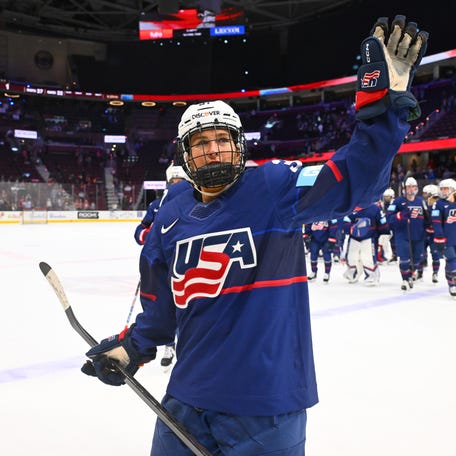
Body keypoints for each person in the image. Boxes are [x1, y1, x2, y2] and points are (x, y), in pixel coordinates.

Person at [81, 16, 428, 455]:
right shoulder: (169, 216)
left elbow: (356, 178)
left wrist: (385, 107)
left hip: (266, 409)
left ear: (239, 144)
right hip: (185, 400)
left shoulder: (276, 188)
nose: (212, 148)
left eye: (221, 139)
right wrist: (131, 348)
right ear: (185, 155)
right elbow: (159, 315)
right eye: (200, 142)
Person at [134, 162, 190, 370]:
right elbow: (140, 231)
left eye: (180, 181)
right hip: (161, 266)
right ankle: (169, 345)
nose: (176, 185)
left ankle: (186, 348)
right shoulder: (156, 206)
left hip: (185, 265)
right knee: (162, 306)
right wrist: (149, 236)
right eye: (172, 181)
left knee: (185, 307)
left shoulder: (194, 203)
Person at [386, 176, 429, 290]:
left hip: (418, 235)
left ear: (416, 188)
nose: (411, 189)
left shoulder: (421, 202)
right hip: (403, 235)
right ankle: (405, 279)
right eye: (408, 186)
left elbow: (427, 218)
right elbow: (388, 219)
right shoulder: (397, 202)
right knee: (404, 258)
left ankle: (411, 275)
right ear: (404, 188)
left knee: (416, 259)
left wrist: (429, 229)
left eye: (413, 186)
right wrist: (399, 216)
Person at [342, 202, 389, 285]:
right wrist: (350, 228)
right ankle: (352, 274)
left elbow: (382, 221)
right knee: (351, 257)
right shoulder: (352, 207)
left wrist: (384, 232)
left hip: (369, 237)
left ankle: (372, 276)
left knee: (368, 258)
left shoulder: (375, 208)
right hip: (354, 237)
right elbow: (345, 220)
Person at [431, 179, 456, 296]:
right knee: (452, 260)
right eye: (442, 189)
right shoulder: (438, 204)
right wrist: (439, 236)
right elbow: (436, 222)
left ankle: (452, 283)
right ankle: (452, 284)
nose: (443, 191)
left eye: (446, 188)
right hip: (447, 239)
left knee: (451, 262)